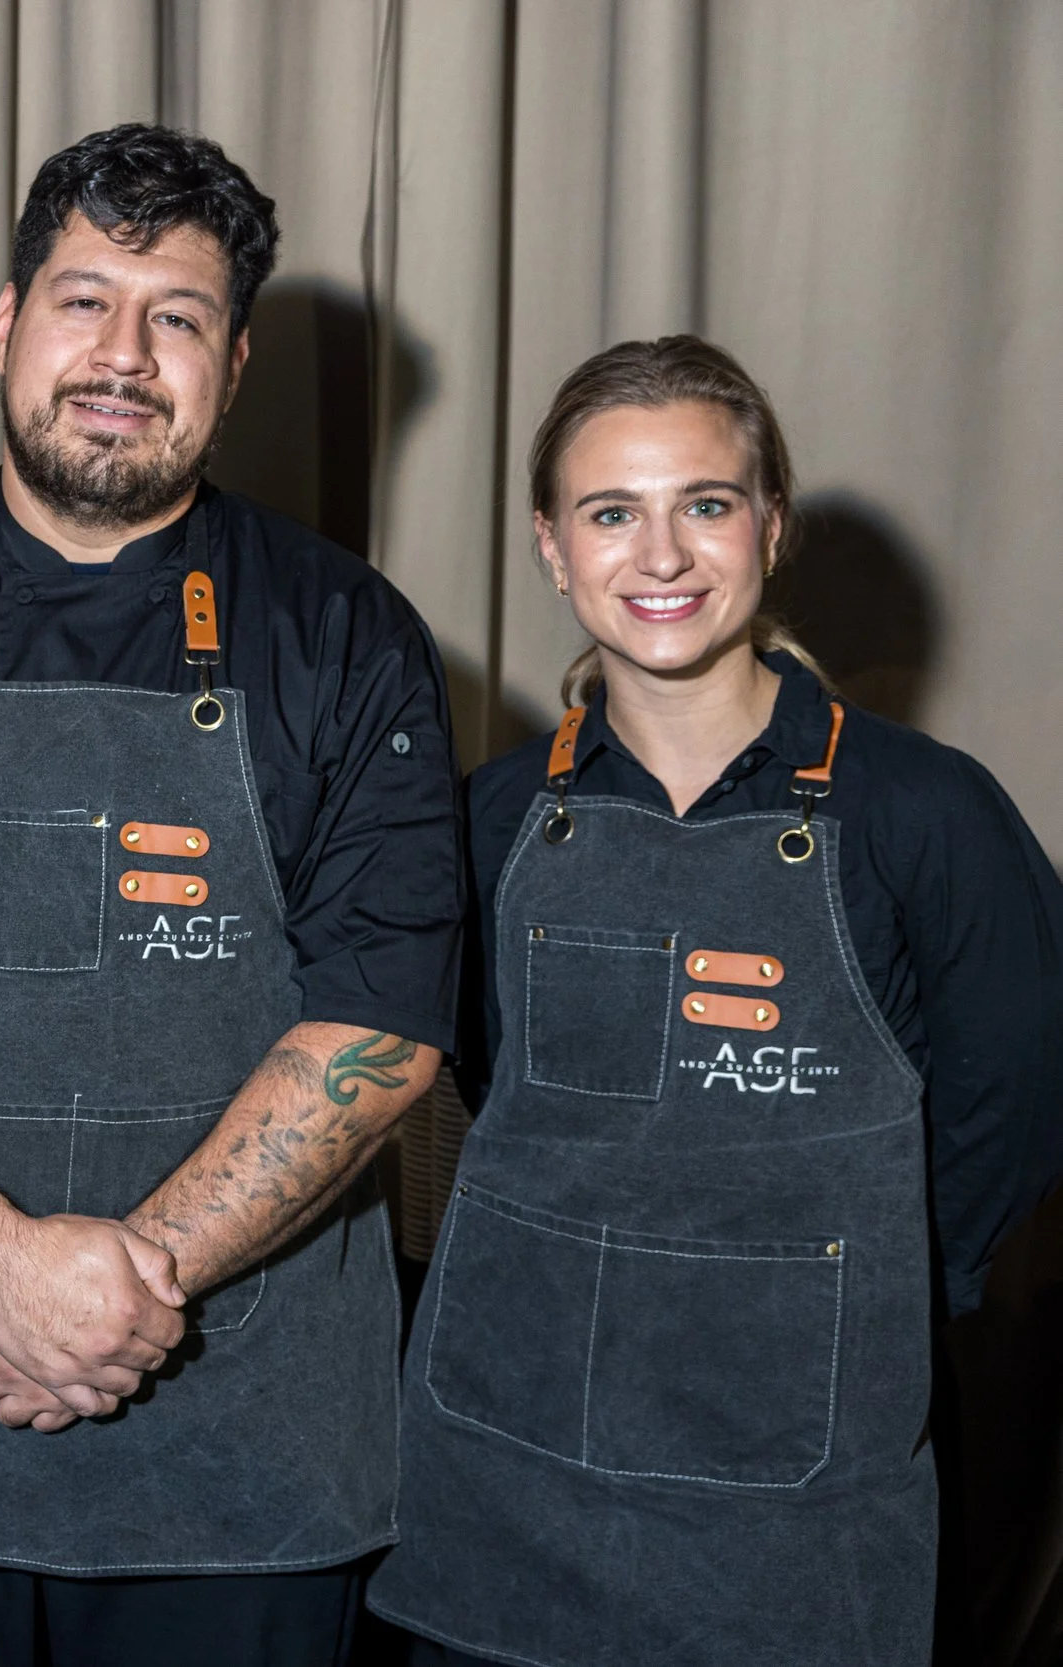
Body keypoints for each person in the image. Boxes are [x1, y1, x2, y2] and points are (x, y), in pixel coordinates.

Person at [0, 124, 464, 1664]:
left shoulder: (349, 636)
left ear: (233, 364)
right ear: (6, 323)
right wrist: (6, 1261)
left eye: (176, 315)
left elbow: (383, 1025)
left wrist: (126, 1283)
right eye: (83, 301)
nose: (123, 353)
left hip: (244, 1445)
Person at [366, 336, 1063, 1667]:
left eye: (705, 503)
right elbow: (480, 1089)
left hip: (797, 1496)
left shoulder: (924, 812)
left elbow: (1019, 1107)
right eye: (610, 513)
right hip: (504, 1470)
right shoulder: (488, 820)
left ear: (772, 526)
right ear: (551, 547)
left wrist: (846, 1295)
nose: (662, 555)